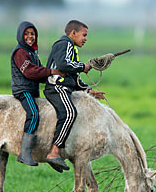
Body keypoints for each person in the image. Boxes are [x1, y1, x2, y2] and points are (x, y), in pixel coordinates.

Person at [43, 20, 105, 172]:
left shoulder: (72, 49)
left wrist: (88, 90)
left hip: (65, 87)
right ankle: (54, 152)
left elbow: (74, 78)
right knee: (70, 113)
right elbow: (63, 65)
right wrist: (83, 66)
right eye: (84, 35)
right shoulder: (64, 44)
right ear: (73, 33)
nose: (85, 39)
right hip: (56, 87)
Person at [11, 20, 65, 167]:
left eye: (33, 33)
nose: (30, 36)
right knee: (33, 114)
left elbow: (40, 72)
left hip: (32, 90)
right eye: (27, 34)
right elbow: (30, 72)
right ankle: (24, 152)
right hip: (23, 90)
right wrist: (51, 71)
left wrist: (56, 78)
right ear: (21, 36)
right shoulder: (20, 52)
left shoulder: (32, 53)